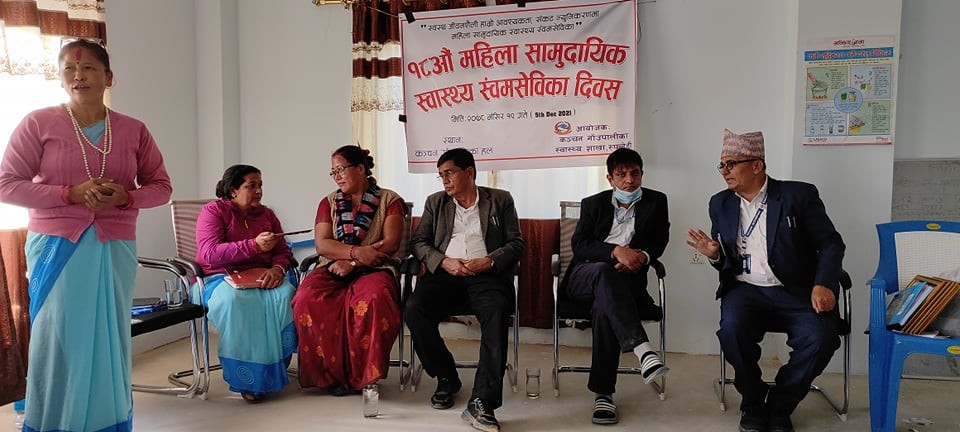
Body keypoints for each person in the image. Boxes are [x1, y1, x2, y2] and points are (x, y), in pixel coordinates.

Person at [0, 39, 172, 431]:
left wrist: (126, 197)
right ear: (61, 78)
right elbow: (7, 184)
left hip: (115, 244)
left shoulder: (133, 130)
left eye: (89, 68)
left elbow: (162, 187)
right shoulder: (38, 123)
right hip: (58, 245)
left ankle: (104, 421)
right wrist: (69, 194)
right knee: (60, 334)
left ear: (109, 77)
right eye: (70, 69)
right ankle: (56, 421)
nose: (79, 76)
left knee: (109, 334)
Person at [686, 129, 845, 432]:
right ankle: (753, 402)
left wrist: (824, 283)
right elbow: (726, 260)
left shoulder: (798, 195)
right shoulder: (720, 203)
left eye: (731, 164)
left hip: (796, 291)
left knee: (822, 339)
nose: (724, 171)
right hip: (746, 290)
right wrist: (715, 255)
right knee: (731, 332)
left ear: (757, 165)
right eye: (721, 165)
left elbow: (831, 243)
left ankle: (780, 406)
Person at [405, 148, 524, 432]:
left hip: (487, 276)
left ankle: (482, 401)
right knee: (414, 309)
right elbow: (418, 243)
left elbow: (516, 243)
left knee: (496, 313)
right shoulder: (436, 202)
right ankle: (447, 376)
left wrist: (489, 260)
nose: (444, 180)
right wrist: (444, 262)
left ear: (469, 172)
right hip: (446, 274)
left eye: (449, 173)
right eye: (441, 175)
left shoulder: (500, 199)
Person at [560, 148, 670, 425]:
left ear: (642, 174)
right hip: (586, 275)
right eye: (622, 174)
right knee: (603, 272)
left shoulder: (657, 201)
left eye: (635, 173)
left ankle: (603, 395)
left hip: (626, 281)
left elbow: (659, 241)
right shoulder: (593, 203)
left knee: (604, 307)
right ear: (610, 178)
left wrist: (641, 257)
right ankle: (642, 349)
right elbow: (580, 245)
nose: (629, 180)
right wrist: (615, 252)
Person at [292, 145, 405, 395]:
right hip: (332, 266)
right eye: (333, 172)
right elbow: (323, 245)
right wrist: (356, 252)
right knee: (306, 298)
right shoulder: (328, 202)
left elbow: (390, 244)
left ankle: (362, 377)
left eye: (341, 169)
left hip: (376, 267)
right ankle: (330, 376)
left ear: (361, 168)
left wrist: (354, 263)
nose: (337, 176)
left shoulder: (390, 200)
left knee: (373, 299)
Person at [194, 164, 297, 403]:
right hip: (218, 278)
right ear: (233, 190)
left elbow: (283, 250)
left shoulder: (267, 215)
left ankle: (274, 369)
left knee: (286, 294)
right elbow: (209, 253)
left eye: (260, 185)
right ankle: (248, 380)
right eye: (251, 186)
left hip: (261, 276)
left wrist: (277, 269)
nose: (259, 191)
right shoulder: (213, 211)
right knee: (236, 300)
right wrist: (254, 246)